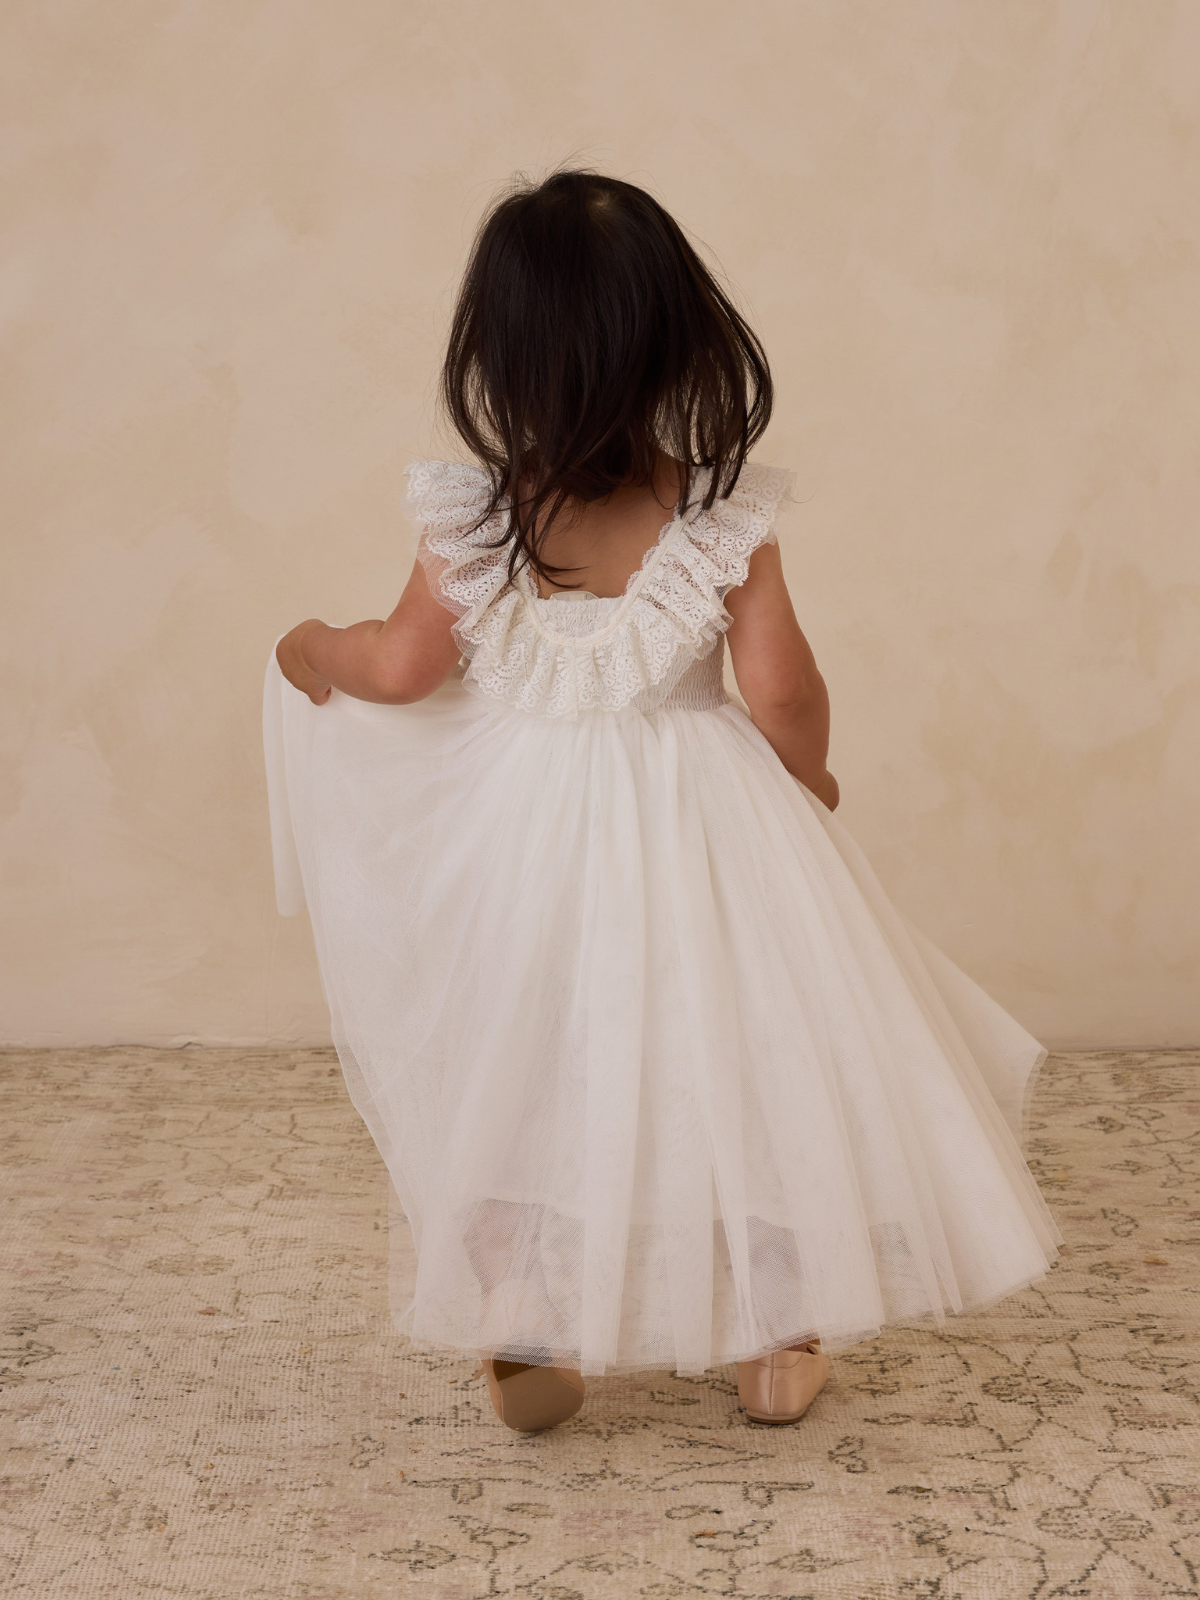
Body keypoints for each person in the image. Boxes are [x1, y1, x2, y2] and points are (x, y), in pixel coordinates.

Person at [264, 170, 1060, 1434]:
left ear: (498, 356)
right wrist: (807, 780)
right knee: (741, 1059)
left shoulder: (477, 511)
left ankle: (524, 1315)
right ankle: (773, 1338)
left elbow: (406, 665)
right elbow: (784, 686)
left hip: (524, 843)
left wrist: (314, 645)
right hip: (706, 831)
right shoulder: (717, 512)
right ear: (683, 341)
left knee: (523, 1058)